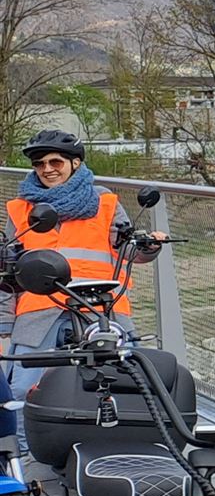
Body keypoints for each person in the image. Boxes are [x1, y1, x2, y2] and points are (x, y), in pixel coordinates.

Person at [1, 131, 150, 390]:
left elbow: (129, 250)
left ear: (75, 163)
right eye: (39, 164)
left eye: (55, 162)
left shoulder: (104, 201)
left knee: (127, 382)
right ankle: (25, 432)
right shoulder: (21, 208)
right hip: (39, 310)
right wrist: (4, 326)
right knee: (22, 388)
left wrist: (150, 246)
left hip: (100, 307)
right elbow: (6, 273)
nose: (47, 169)